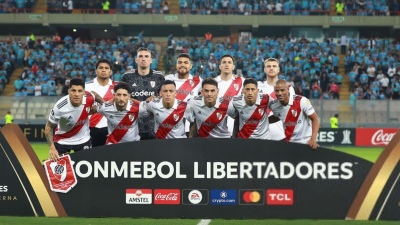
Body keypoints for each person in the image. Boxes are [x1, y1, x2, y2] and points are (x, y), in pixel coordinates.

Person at [45, 78, 104, 161]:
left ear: (84, 91)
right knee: (59, 171)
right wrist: (52, 148)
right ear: (69, 91)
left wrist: (104, 103)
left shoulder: (89, 97)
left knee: (87, 169)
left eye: (80, 91)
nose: (76, 94)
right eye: (73, 90)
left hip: (83, 139)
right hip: (62, 140)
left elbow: (94, 95)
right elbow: (48, 128)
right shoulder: (59, 107)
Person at [122, 47, 165, 140]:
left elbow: (165, 97)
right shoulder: (127, 77)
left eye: (146, 56)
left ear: (151, 60)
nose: (143, 58)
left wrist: (156, 98)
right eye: (140, 56)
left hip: (154, 125)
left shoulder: (159, 77)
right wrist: (138, 103)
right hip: (133, 125)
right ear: (136, 60)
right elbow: (121, 97)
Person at [270, 79, 320, 150]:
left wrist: (313, 139)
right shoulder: (274, 106)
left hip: (306, 143)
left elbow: (315, 119)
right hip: (289, 144)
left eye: (282, 90)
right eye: (277, 91)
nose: (279, 93)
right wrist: (263, 120)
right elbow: (278, 116)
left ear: (288, 89)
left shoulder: (302, 101)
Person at [258, 57, 295, 141]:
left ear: (278, 69)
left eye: (274, 66)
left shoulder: (288, 87)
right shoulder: (257, 87)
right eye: (269, 66)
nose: (271, 68)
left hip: (281, 135)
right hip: (260, 135)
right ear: (264, 69)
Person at [165, 53, 202, 135]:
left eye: (186, 63)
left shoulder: (198, 81)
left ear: (191, 66)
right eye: (180, 62)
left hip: (190, 126)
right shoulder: (167, 79)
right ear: (176, 65)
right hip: (168, 126)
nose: (182, 65)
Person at [85, 59, 118, 147]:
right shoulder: (86, 86)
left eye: (106, 68)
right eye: (101, 68)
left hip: (112, 128)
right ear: (96, 71)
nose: (103, 70)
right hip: (90, 128)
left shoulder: (117, 87)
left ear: (110, 72)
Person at [215, 54, 244, 136]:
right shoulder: (213, 83)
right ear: (220, 67)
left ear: (233, 67)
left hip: (236, 127)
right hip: (216, 128)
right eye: (224, 62)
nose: (227, 64)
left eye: (229, 62)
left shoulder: (242, 82)